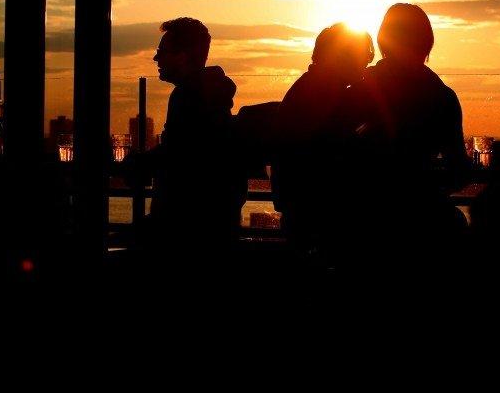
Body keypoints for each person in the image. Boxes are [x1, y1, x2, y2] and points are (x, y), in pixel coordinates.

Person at [348, 3, 470, 289]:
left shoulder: (359, 90)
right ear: (426, 42)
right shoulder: (442, 96)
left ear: (383, 40)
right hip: (424, 225)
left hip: (365, 223)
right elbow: (458, 171)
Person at [130, 17, 245, 256]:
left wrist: (138, 162)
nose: (156, 58)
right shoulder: (211, 96)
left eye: (162, 51)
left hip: (186, 229)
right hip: (214, 225)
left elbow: (178, 153)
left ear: (182, 56)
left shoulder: (187, 96)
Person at [273, 23, 374, 263]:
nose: (366, 66)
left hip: (302, 209)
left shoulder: (312, 86)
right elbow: (338, 150)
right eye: (362, 58)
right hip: (319, 214)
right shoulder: (327, 93)